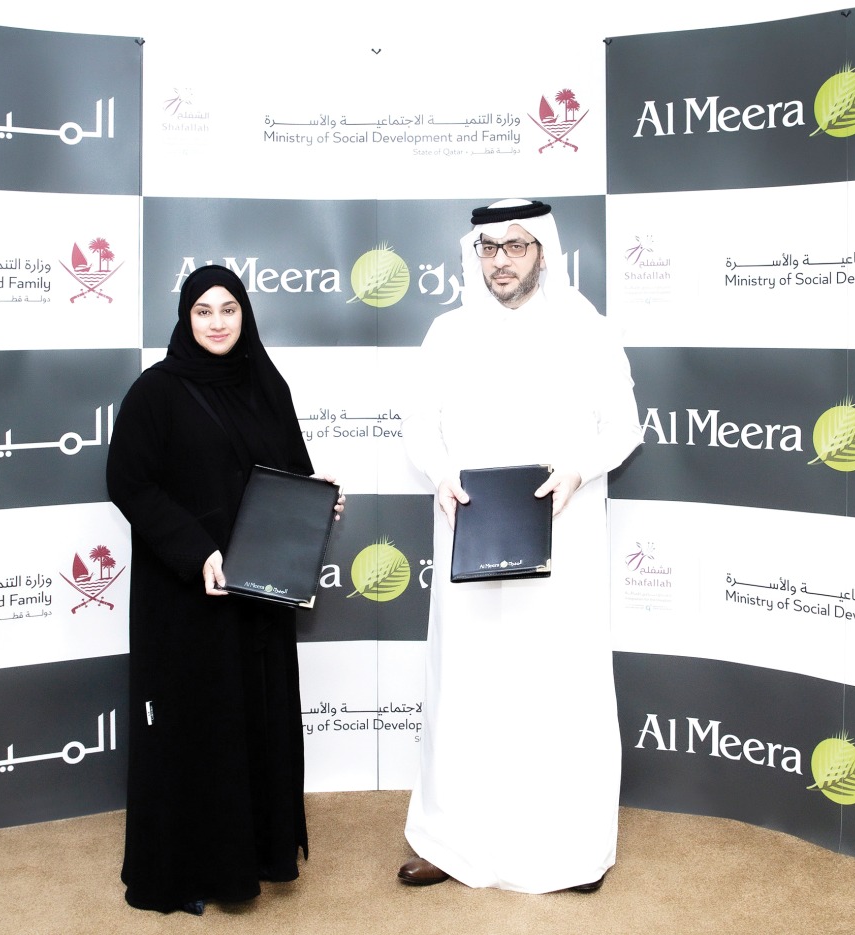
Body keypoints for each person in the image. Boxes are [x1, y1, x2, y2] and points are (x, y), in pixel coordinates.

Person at [398, 199, 642, 894]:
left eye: (515, 246)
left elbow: (624, 426)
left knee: (558, 689)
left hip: (562, 535)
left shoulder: (585, 328)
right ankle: (450, 842)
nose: (500, 260)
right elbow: (419, 424)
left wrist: (579, 470)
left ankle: (571, 849)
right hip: (470, 532)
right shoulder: (448, 332)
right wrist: (441, 474)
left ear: (542, 251)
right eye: (489, 247)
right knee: (464, 689)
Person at [107, 264, 340, 915]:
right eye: (203, 310)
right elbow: (129, 483)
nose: (217, 322)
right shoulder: (156, 391)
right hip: (188, 597)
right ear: (186, 318)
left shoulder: (267, 383)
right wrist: (197, 550)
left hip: (260, 592)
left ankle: (259, 854)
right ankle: (194, 868)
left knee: (256, 718)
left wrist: (319, 502)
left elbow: (292, 472)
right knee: (200, 727)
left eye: (229, 309)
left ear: (245, 315)